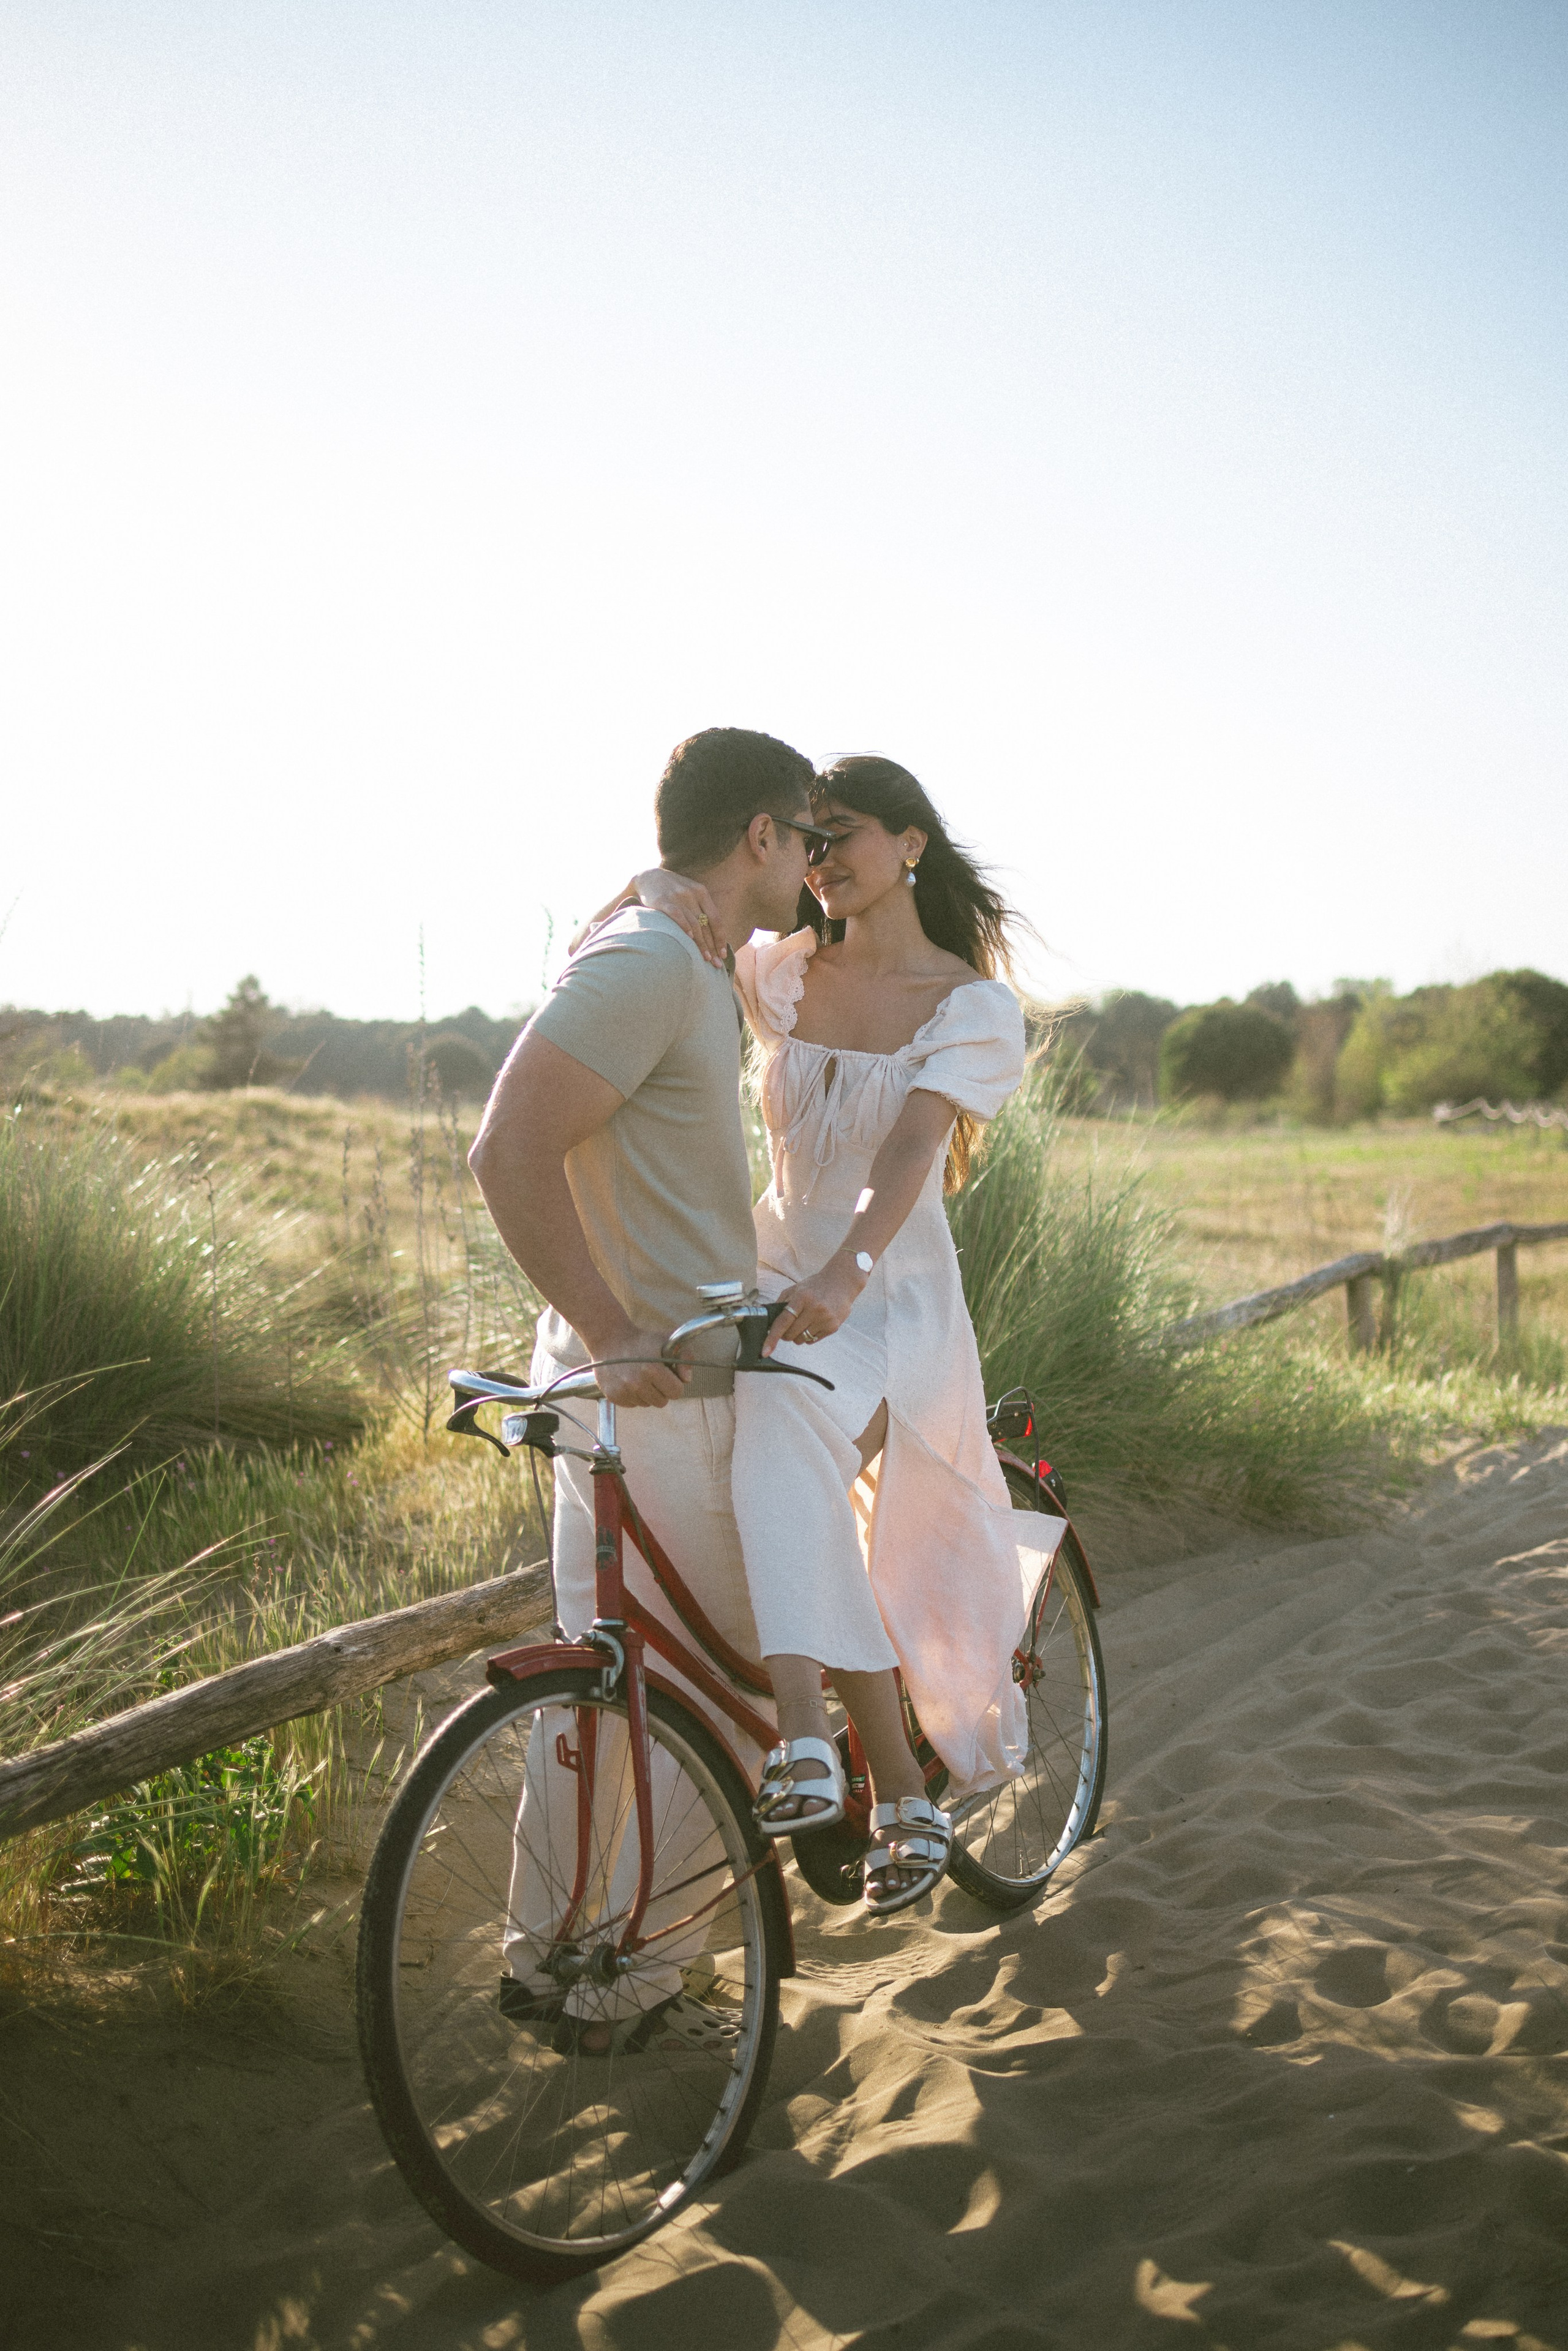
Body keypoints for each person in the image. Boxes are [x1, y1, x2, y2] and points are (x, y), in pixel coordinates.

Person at [615, 755, 1035, 1915]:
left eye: (842, 834)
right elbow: (692, 909)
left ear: (910, 845)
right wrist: (632, 898)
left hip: (888, 1298)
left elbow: (909, 1152)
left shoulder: (973, 1007)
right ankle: (894, 1790)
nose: (818, 857)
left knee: (782, 1412)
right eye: (810, 836)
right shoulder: (780, 974)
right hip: (772, 1274)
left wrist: (848, 1271)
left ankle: (808, 1736)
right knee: (778, 1450)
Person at [469, 724, 821, 2042]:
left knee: (605, 1689)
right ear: (757, 839)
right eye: (802, 832)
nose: (810, 856)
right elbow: (506, 1147)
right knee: (710, 1697)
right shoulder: (653, 962)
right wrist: (612, 1326)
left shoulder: (669, 948)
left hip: (623, 1394)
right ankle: (637, 1978)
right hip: (655, 1396)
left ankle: (550, 1957)